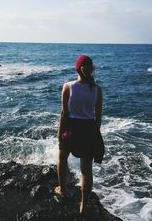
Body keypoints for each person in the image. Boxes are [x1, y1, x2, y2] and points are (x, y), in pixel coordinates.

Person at [54, 55, 104, 215]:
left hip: (72, 128)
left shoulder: (68, 86)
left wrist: (60, 132)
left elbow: (64, 113)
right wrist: (95, 134)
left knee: (62, 158)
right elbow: (98, 116)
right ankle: (84, 206)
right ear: (91, 69)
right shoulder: (97, 89)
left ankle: (62, 190)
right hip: (89, 129)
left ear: (77, 68)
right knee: (86, 170)